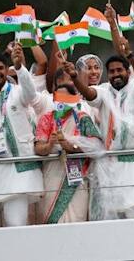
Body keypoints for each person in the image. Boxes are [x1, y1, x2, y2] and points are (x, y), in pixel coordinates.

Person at [72, 5, 134, 219]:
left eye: (120, 70)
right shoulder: (104, 92)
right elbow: (89, 94)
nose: (116, 74)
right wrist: (75, 78)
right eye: (112, 72)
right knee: (114, 221)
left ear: (128, 72)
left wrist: (114, 28)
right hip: (112, 165)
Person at [0, 47, 44, 228]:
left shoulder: (18, 93)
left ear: (6, 70)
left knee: (16, 225)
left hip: (17, 172)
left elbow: (31, 93)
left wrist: (20, 68)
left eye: (0, 68)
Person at [34, 67, 103, 224]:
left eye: (67, 98)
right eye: (59, 98)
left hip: (77, 179)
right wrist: (50, 144)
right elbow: (38, 148)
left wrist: (72, 145)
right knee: (51, 220)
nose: (62, 102)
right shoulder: (46, 119)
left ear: (74, 100)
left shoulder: (83, 118)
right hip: (52, 175)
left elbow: (97, 146)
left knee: (77, 219)